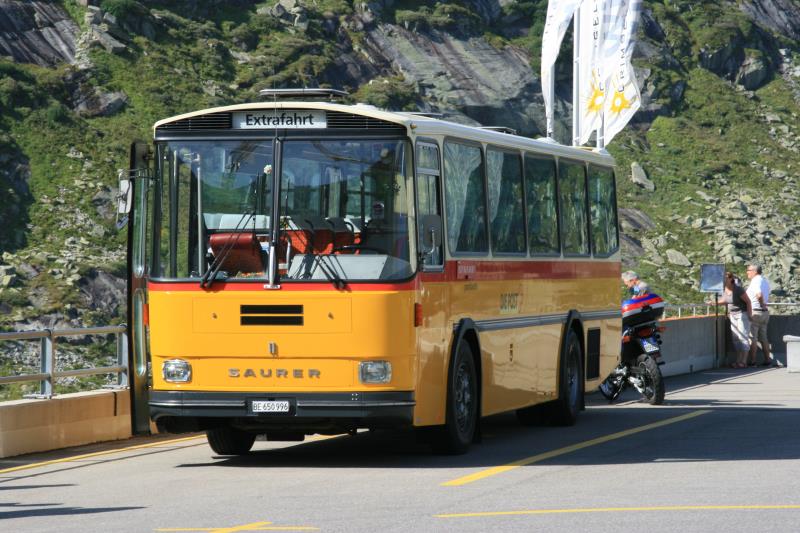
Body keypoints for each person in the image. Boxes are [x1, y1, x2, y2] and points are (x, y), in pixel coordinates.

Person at [745, 263, 780, 367]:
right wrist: (764, 306)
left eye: (749, 270)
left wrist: (761, 304)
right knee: (764, 338)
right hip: (764, 313)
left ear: (755, 271)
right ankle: (767, 360)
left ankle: (753, 361)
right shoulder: (765, 281)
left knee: (753, 338)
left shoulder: (755, 281)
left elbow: (758, 294)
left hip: (756, 311)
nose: (747, 272)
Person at [716, 272, 752, 369]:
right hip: (732, 314)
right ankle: (738, 360)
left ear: (731, 279)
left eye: (726, 277)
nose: (724, 279)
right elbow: (725, 300)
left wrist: (749, 314)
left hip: (742, 314)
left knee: (743, 336)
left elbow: (748, 301)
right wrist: (714, 303)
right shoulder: (724, 290)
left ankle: (744, 361)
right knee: (735, 338)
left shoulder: (738, 289)